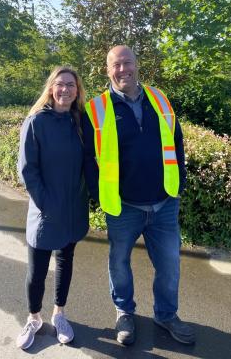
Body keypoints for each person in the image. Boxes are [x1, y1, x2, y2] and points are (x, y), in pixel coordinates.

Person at [83, 45, 195, 346]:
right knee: (119, 264)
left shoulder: (159, 99)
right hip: (123, 207)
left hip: (164, 203)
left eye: (127, 63)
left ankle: (166, 315)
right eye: (116, 65)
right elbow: (87, 159)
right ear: (107, 70)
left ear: (137, 65)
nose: (123, 70)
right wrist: (99, 195)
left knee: (170, 264)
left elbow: (177, 141)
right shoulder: (95, 108)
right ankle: (124, 313)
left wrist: (179, 185)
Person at [16, 66, 89, 350]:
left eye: (71, 85)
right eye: (60, 84)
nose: (65, 90)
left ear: (77, 90)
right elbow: (27, 170)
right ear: (51, 88)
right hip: (45, 210)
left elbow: (90, 161)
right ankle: (34, 317)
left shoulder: (79, 122)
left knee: (65, 262)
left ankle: (59, 313)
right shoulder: (35, 122)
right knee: (37, 270)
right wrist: (45, 204)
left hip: (72, 210)